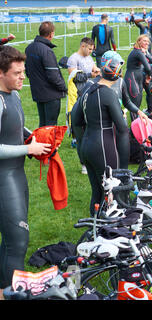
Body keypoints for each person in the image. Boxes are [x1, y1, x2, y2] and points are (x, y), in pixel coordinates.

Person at [0, 45, 52, 295]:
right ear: (1, 73)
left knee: (11, 242)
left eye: (23, 72)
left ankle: (3, 289)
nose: (23, 77)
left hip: (16, 177)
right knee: (18, 243)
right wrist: (27, 150)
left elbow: (16, 128)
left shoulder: (14, 95)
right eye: (17, 73)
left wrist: (34, 137)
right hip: (3, 179)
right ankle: (14, 294)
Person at [71, 51, 129, 217]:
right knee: (112, 193)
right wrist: (123, 166)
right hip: (104, 146)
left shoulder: (88, 90)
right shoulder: (108, 93)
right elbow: (123, 129)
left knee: (97, 193)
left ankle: (95, 232)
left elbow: (76, 121)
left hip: (88, 146)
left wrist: (82, 147)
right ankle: (108, 236)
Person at [66, 37, 100, 174]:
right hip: (77, 99)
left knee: (91, 130)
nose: (91, 52)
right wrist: (90, 74)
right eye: (90, 49)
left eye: (93, 50)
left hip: (89, 97)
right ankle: (84, 164)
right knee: (81, 134)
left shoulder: (89, 58)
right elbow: (74, 77)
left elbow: (94, 69)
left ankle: (93, 160)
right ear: (83, 46)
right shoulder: (73, 59)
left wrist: (97, 71)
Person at [25, 21, 67, 128]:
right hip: (51, 95)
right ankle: (48, 145)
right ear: (51, 34)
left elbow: (28, 72)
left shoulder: (29, 48)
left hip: (38, 93)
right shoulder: (47, 51)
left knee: (43, 124)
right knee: (50, 125)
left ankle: (40, 144)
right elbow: (53, 76)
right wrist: (64, 88)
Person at [124, 35, 152, 120]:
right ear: (139, 41)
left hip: (138, 79)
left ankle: (135, 128)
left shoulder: (141, 52)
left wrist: (146, 52)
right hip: (131, 79)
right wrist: (148, 76)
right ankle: (133, 130)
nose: (147, 43)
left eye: (148, 41)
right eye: (144, 41)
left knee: (138, 104)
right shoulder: (137, 52)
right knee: (135, 106)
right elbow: (148, 68)